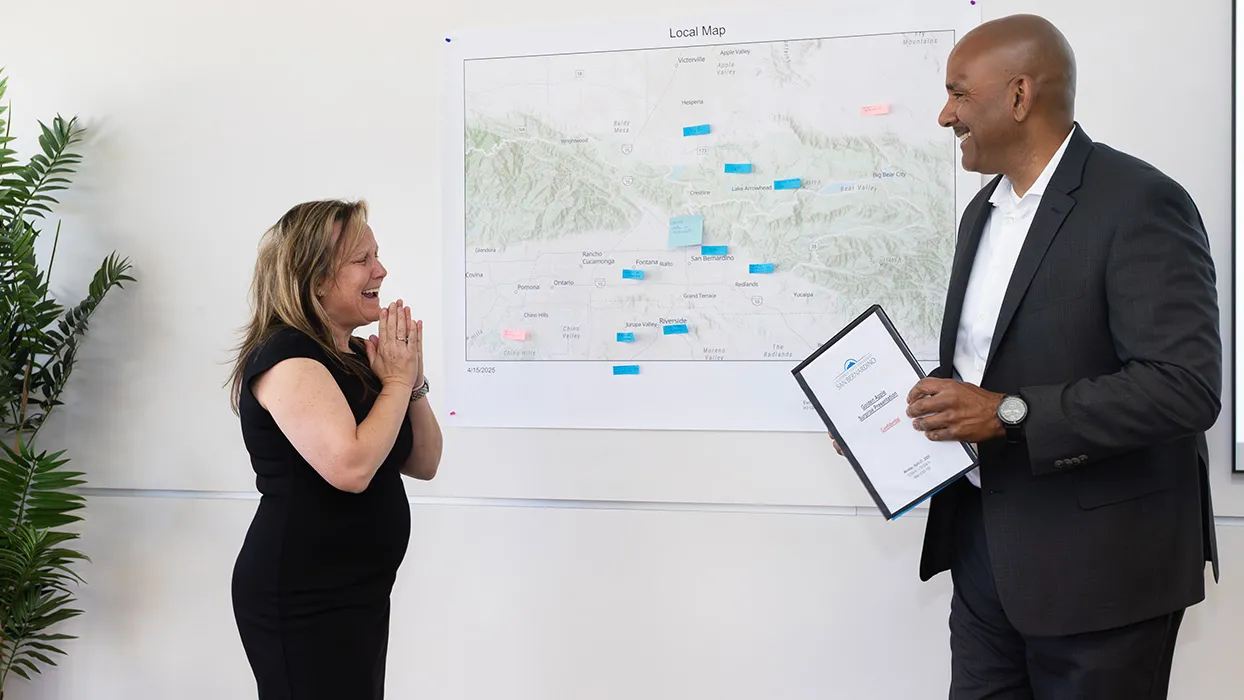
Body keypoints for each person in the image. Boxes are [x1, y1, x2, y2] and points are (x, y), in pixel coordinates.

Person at [833, 13, 1220, 698]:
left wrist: (1007, 413)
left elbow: (1183, 388)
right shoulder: (981, 212)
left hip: (1103, 577)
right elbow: (982, 374)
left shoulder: (1140, 203)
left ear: (1018, 96)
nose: (944, 114)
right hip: (985, 557)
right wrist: (894, 414)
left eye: (958, 93)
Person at [226, 199, 443, 699]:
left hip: (360, 593)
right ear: (316, 278)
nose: (381, 270)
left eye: (377, 256)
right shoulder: (286, 357)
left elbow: (425, 462)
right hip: (302, 595)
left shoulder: (361, 361)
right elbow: (351, 467)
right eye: (362, 259)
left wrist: (411, 380)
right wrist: (393, 382)